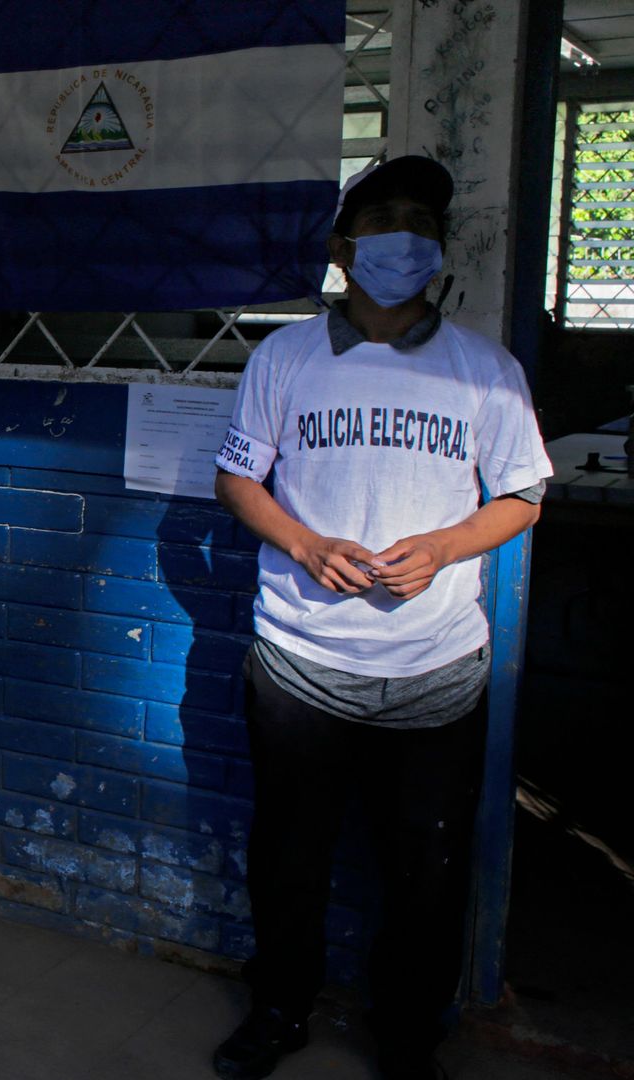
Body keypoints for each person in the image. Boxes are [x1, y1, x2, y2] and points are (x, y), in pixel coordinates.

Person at [209, 156, 552, 1080]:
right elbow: (238, 479)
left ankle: (407, 1035)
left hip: (435, 671)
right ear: (342, 247)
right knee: (288, 860)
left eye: (423, 222)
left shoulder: (485, 369)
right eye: (386, 217)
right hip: (299, 664)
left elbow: (522, 495)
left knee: (426, 875)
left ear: (438, 252)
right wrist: (308, 546)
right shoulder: (284, 358)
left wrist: (443, 547)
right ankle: (279, 1011)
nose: (406, 236)